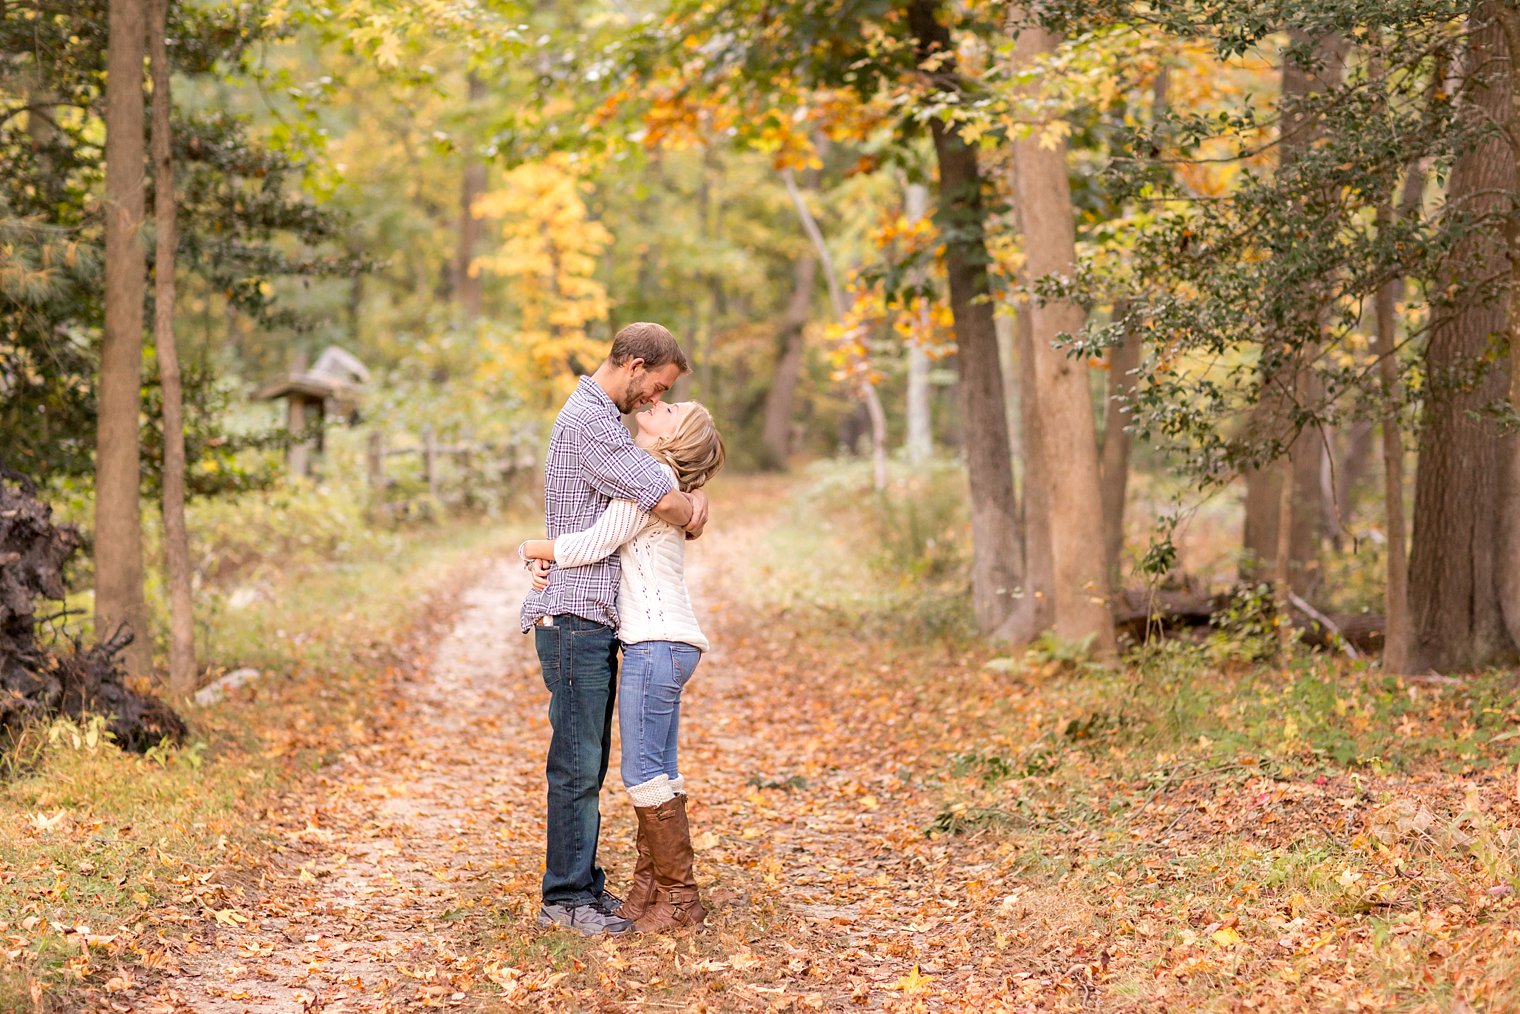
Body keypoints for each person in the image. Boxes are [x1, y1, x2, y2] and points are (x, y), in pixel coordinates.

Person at [519, 322, 710, 936]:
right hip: (573, 614)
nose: (655, 399)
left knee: (589, 760)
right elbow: (656, 490)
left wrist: (686, 499)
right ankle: (566, 898)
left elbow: (656, 487)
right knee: (577, 765)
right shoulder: (592, 421)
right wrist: (691, 504)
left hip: (590, 615)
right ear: (632, 364)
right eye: (657, 386)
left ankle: (586, 887)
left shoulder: (603, 417)